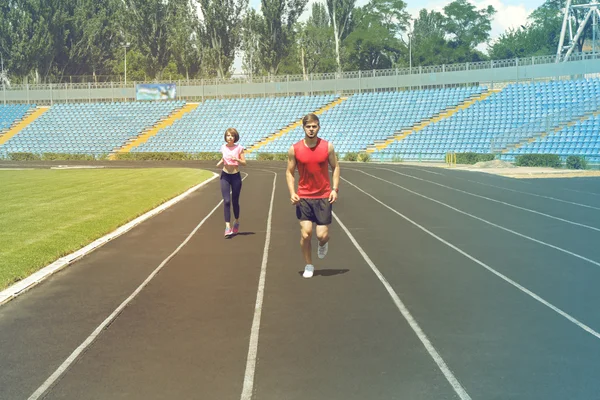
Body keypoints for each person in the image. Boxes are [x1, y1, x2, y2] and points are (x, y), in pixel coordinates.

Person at [286, 113, 340, 278]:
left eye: (314, 126)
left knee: (322, 235)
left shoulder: (327, 146)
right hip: (304, 197)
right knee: (306, 233)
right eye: (308, 126)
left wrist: (334, 189)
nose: (311, 129)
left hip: (323, 196)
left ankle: (323, 244)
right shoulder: (294, 148)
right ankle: (309, 265)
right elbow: (289, 172)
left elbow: (336, 167)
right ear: (303, 128)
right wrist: (292, 192)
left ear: (319, 127)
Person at [216, 127, 246, 237]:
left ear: (235, 137)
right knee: (226, 201)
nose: (230, 137)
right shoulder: (223, 147)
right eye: (228, 135)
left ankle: (236, 221)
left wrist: (236, 159)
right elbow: (224, 158)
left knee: (235, 201)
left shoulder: (239, 148)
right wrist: (219, 163)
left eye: (232, 136)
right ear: (225, 137)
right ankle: (227, 226)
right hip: (225, 176)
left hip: (235, 177)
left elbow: (244, 163)